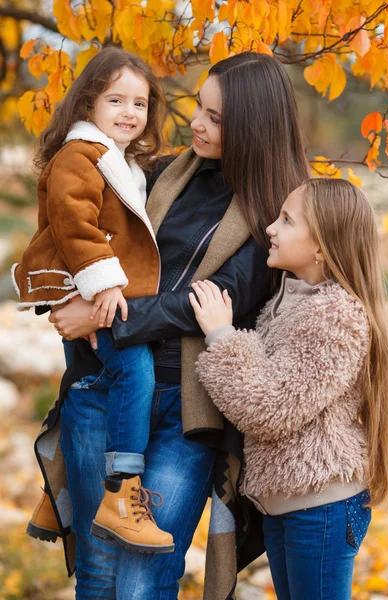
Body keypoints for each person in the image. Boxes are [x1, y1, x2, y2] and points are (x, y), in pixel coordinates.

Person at [30, 52, 310, 599]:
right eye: (199, 110)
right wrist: (63, 299)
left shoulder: (273, 215)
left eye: (216, 118)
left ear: (255, 128)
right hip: (104, 389)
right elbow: (73, 226)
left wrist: (103, 316)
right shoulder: (155, 174)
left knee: (146, 574)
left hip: (188, 409)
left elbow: (211, 301)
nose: (197, 125)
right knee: (99, 565)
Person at [193, 178, 388, 600]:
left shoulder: (336, 315)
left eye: (287, 220)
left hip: (320, 505)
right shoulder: (287, 302)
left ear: (321, 246)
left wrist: (221, 337)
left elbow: (270, 408)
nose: (270, 227)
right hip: (287, 501)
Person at [12, 46, 174, 553]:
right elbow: (73, 219)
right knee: (135, 372)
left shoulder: (118, 160)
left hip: (95, 290)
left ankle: (60, 491)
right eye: (116, 101)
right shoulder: (80, 156)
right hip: (88, 289)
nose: (130, 113)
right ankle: (122, 492)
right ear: (87, 106)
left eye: (140, 104)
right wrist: (104, 281)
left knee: (86, 378)